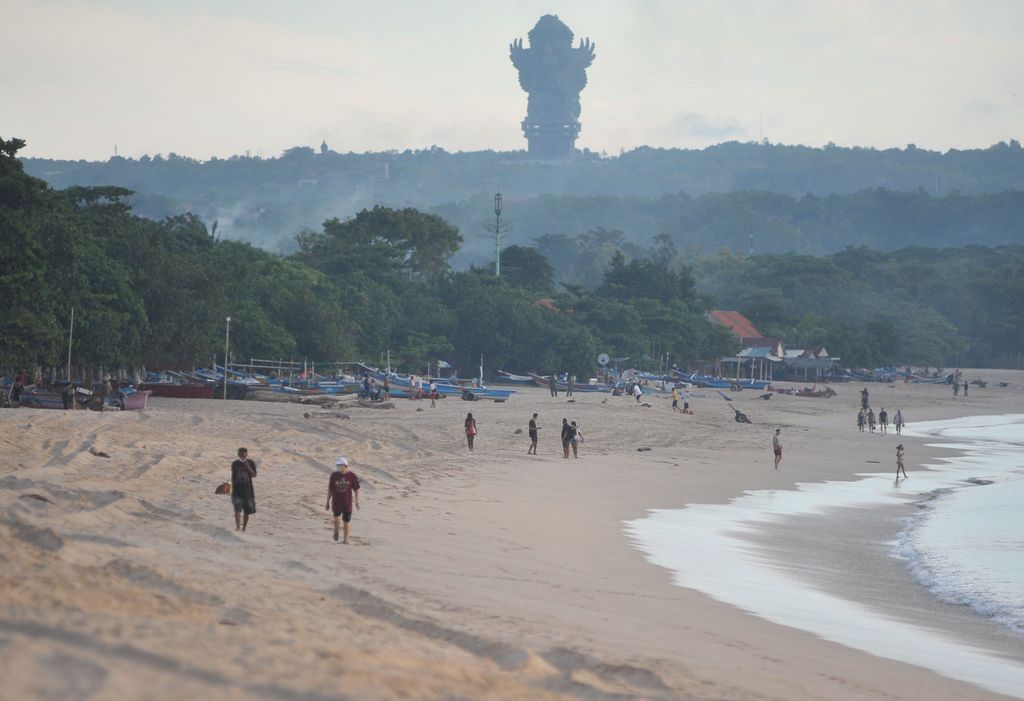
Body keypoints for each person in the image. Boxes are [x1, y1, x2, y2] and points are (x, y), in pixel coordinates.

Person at [326, 456, 360, 543]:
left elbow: (356, 489)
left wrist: (357, 501)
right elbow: (330, 489)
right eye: (336, 465)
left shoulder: (352, 476)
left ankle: (345, 540)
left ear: (345, 466)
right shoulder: (334, 475)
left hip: (347, 503)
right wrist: (327, 502)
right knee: (336, 519)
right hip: (336, 502)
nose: (337, 466)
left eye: (339, 465)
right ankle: (336, 530)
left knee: (346, 521)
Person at [230, 447, 257, 531]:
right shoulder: (234, 463)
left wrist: (248, 467)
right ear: (238, 454)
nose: (242, 456)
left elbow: (254, 475)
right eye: (240, 454)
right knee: (237, 509)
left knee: (247, 511)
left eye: (244, 454)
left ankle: (244, 528)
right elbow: (233, 477)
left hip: (248, 491)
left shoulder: (251, 462)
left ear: (246, 454)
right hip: (237, 491)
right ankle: (238, 527)